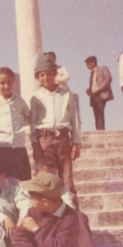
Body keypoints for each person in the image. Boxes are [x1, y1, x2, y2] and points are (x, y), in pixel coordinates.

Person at [33, 156, 104, 247]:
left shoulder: (60, 186)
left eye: (54, 175)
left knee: (78, 216)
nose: (51, 179)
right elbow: (30, 214)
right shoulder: (27, 189)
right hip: (42, 229)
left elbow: (68, 208)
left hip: (59, 223)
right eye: (46, 175)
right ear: (35, 175)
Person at [29, 53, 80, 198]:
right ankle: (50, 218)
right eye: (42, 75)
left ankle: (72, 218)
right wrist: (35, 144)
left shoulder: (66, 94)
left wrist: (75, 142)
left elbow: (73, 119)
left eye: (49, 74)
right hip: (44, 142)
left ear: (55, 74)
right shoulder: (36, 97)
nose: (46, 78)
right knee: (48, 181)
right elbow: (33, 124)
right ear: (38, 77)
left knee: (67, 182)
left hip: (63, 141)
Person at [0, 67, 32, 181]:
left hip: (17, 147)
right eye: (2, 83)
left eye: (9, 82)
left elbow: (28, 117)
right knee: (0, 180)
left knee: (18, 181)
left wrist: (19, 125)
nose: (6, 86)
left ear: (14, 81)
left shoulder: (19, 101)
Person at [0, 162, 33, 239]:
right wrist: (5, 219)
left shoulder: (14, 190)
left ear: (3, 177)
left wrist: (20, 223)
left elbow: (26, 205)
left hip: (18, 229)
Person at [85, 55, 114, 131]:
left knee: (100, 113)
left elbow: (108, 78)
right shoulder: (91, 74)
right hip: (93, 96)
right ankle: (98, 130)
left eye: (88, 64)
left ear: (93, 62)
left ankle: (101, 131)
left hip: (101, 94)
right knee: (96, 115)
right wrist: (88, 91)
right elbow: (92, 85)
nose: (87, 66)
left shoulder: (102, 68)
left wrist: (99, 88)